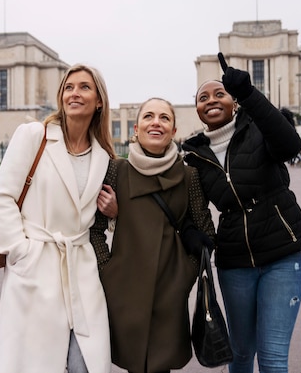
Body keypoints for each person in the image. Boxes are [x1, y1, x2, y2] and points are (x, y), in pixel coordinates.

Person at [182, 53, 301, 373]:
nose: (211, 100)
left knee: (272, 358)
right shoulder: (194, 157)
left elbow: (289, 145)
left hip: (282, 255)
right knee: (240, 354)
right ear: (197, 109)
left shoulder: (259, 129)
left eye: (220, 93)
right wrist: (191, 231)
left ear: (234, 102)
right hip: (235, 262)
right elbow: (191, 209)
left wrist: (250, 94)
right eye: (203, 97)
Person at [0, 63, 117, 373]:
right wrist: (21, 251)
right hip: (36, 268)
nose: (75, 93)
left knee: (86, 364)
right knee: (36, 363)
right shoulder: (34, 135)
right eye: (69, 87)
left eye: (84, 87)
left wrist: (114, 214)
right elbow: (2, 196)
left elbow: (97, 218)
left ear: (99, 101)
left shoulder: (104, 157)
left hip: (81, 271)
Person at [90, 97, 216, 373]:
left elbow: (207, 232)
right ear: (136, 129)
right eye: (148, 116)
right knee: (133, 365)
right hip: (125, 289)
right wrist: (108, 270)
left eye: (164, 118)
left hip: (170, 292)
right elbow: (95, 228)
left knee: (161, 367)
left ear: (173, 131)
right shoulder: (116, 169)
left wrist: (184, 277)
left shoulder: (188, 175)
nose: (156, 122)